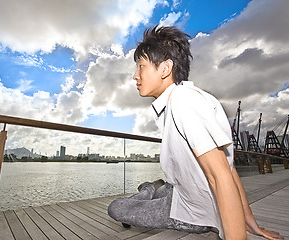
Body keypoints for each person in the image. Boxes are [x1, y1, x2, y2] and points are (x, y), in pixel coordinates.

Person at [108, 25, 284, 240]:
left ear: (165, 69)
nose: (135, 76)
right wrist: (252, 223)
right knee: (167, 189)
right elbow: (230, 169)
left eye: (141, 66)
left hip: (190, 213)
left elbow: (220, 175)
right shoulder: (189, 98)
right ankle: (155, 188)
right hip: (181, 191)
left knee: (117, 208)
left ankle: (148, 189)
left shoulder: (183, 100)